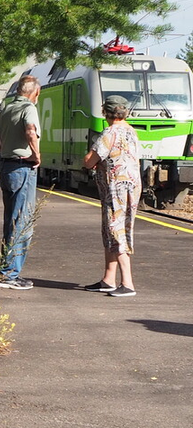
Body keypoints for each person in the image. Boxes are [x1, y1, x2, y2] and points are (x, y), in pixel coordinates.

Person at [0, 74, 42, 290]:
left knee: (11, 220)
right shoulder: (29, 108)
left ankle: (7, 270)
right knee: (22, 222)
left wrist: (2, 149)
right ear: (35, 92)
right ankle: (9, 275)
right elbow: (30, 130)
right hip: (22, 168)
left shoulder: (8, 108)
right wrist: (36, 155)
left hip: (8, 167)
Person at [83, 95, 141, 297]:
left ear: (105, 112)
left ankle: (127, 282)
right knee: (114, 229)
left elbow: (90, 160)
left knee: (115, 230)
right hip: (132, 186)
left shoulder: (110, 132)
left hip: (115, 186)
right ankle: (108, 279)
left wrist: (89, 159)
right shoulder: (131, 131)